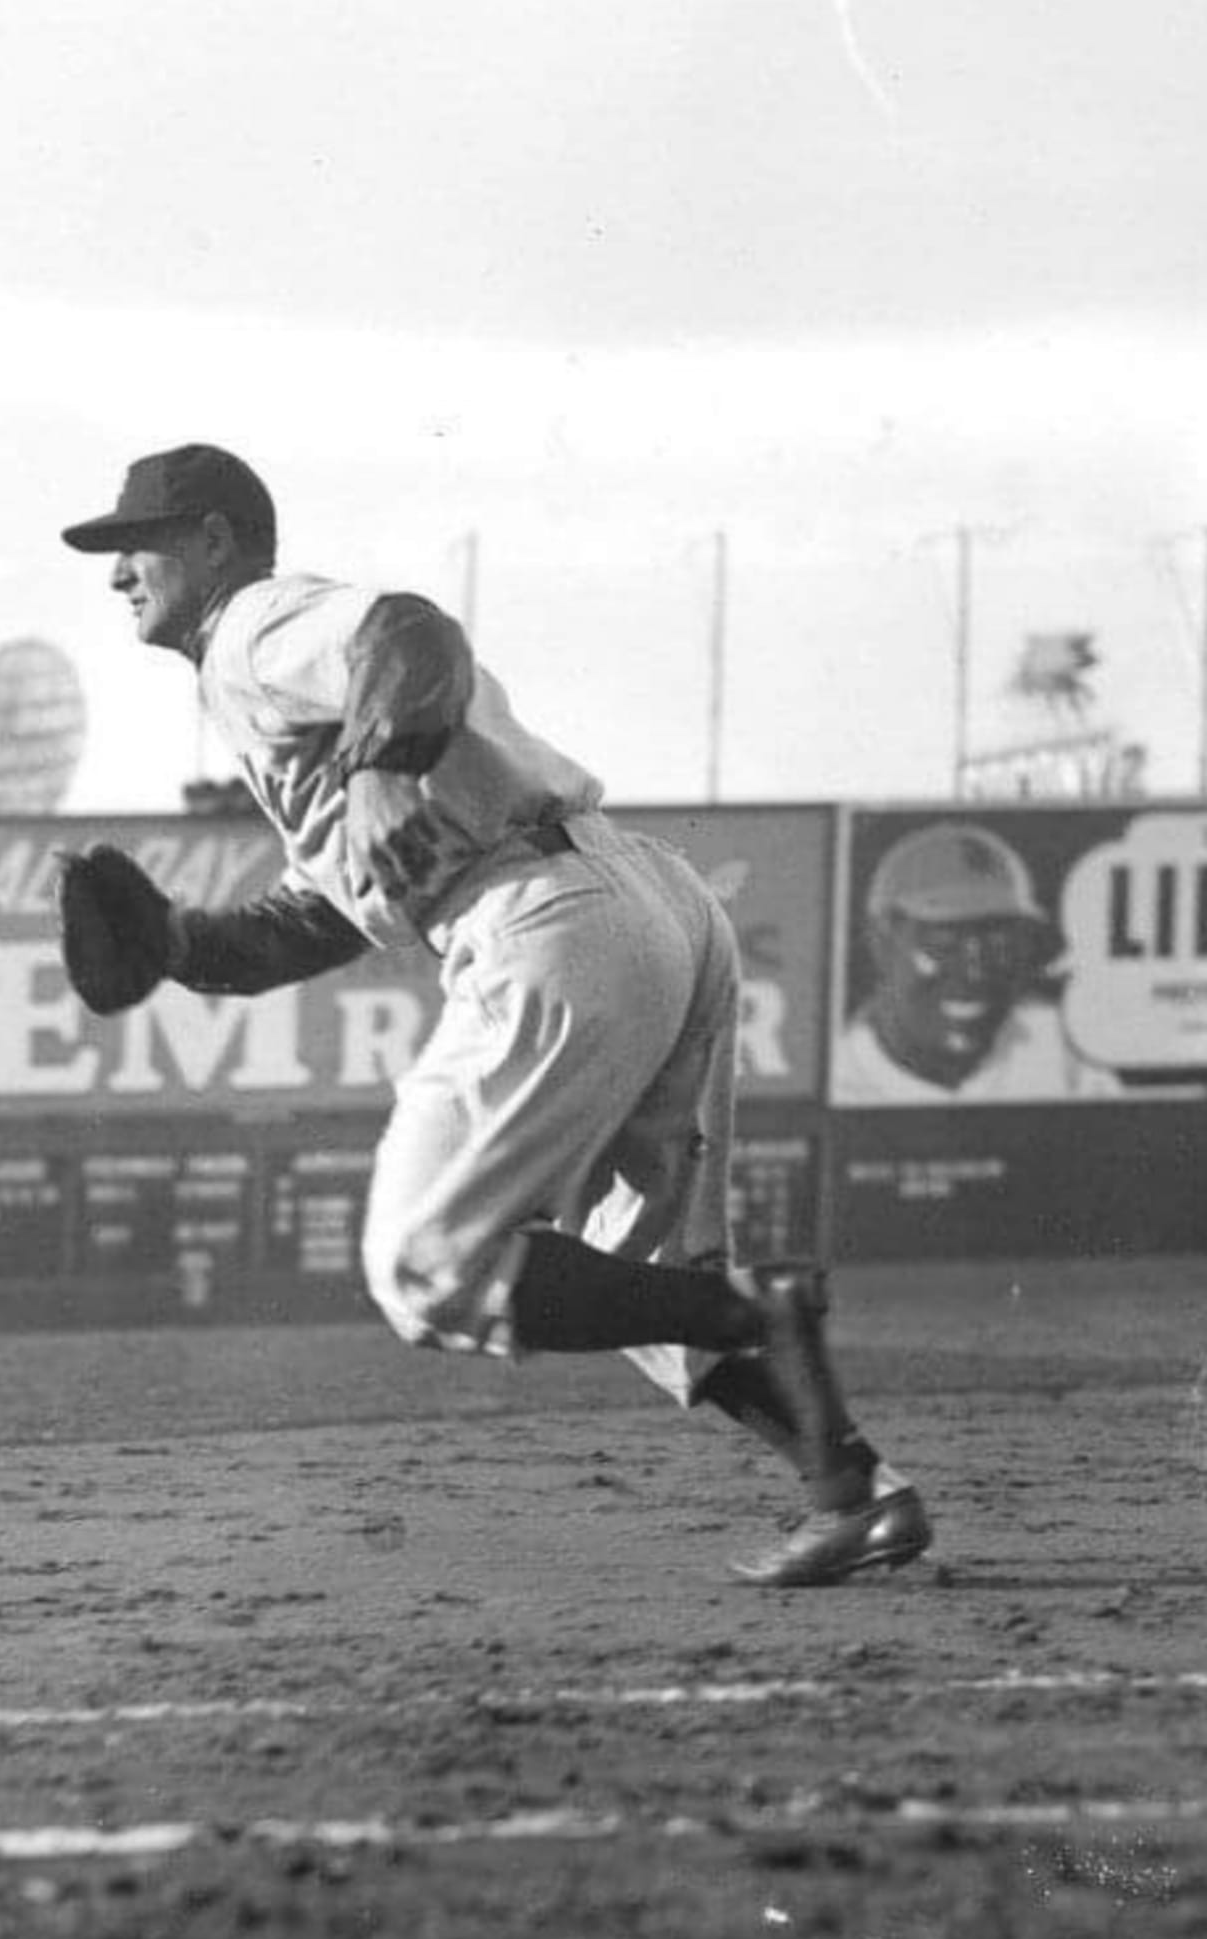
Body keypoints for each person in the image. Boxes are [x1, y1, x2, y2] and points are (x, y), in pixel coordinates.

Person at [60, 442, 931, 1586]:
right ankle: (849, 1492)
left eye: (138, 543)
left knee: (428, 1261)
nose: (118, 573)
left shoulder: (257, 628)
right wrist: (180, 944)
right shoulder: (272, 695)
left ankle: (759, 1306)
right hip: (642, 900)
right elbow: (318, 915)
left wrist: (378, 766)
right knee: (639, 1280)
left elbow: (414, 634)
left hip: (548, 916)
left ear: (215, 540)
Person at [833, 821, 1121, 1104]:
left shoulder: (1058, 1045)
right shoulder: (838, 1075)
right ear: (881, 943)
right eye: (944, 942)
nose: (974, 971)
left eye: (998, 943)